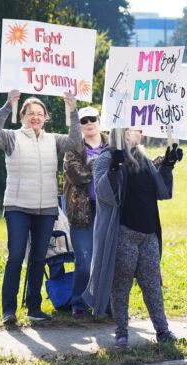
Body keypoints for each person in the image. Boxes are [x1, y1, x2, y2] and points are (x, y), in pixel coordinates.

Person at [0, 89, 81, 324]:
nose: (35, 117)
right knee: (16, 257)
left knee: (39, 258)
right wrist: (8, 105)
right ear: (23, 115)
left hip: (46, 209)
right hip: (17, 207)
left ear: (46, 117)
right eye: (30, 113)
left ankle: (34, 307)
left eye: (40, 113)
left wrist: (73, 110)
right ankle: (8, 311)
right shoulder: (11, 137)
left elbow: (75, 141)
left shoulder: (53, 140)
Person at [83, 128, 182, 348]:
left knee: (153, 284)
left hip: (148, 235)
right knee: (121, 286)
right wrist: (114, 169)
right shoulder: (106, 158)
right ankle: (121, 332)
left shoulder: (142, 157)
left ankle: (163, 331)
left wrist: (168, 165)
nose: (141, 132)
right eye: (136, 129)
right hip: (123, 233)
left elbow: (161, 191)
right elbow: (103, 194)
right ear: (123, 132)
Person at [63, 106, 108, 319]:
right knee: (84, 261)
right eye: (84, 120)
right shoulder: (73, 147)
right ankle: (78, 302)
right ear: (79, 125)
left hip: (107, 211)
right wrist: (103, 165)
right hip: (81, 212)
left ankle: (105, 303)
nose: (89, 123)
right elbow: (76, 175)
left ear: (100, 120)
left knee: (107, 260)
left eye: (93, 119)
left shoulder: (113, 145)